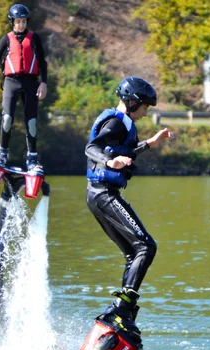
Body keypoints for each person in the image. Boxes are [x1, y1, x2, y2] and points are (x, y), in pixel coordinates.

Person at [84, 77, 174, 336]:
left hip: (99, 195)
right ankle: (122, 309)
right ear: (131, 102)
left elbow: (125, 150)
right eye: (144, 107)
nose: (146, 113)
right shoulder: (114, 122)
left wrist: (150, 143)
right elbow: (93, 147)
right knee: (146, 246)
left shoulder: (124, 126)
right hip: (103, 194)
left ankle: (121, 316)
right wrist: (109, 163)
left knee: (134, 253)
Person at [0, 3, 48, 174]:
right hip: (11, 82)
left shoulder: (34, 38)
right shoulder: (6, 39)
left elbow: (42, 62)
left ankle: (32, 158)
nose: (21, 25)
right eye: (18, 21)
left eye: (24, 21)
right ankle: (1, 153)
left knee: (31, 122)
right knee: (7, 118)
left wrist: (43, 82)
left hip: (31, 82)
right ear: (12, 22)